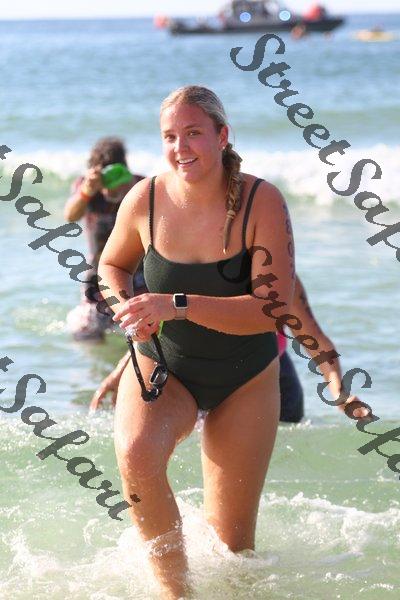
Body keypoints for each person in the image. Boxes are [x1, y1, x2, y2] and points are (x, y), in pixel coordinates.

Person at [96, 86, 368, 598]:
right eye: (169, 136)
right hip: (165, 365)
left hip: (245, 378)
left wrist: (175, 304)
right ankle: (176, 592)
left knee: (234, 552)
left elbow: (273, 309)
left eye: (193, 133)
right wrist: (125, 308)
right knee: (135, 455)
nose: (181, 148)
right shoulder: (145, 198)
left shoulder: (261, 202)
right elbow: (112, 264)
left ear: (222, 136)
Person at [89, 274, 362, 424]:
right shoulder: (189, 268)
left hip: (273, 383)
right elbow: (156, 330)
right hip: (200, 382)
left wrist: (338, 392)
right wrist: (121, 372)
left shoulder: (279, 279)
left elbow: (314, 339)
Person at [64, 137, 145, 340]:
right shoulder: (86, 187)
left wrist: (132, 189)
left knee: (140, 329)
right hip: (98, 274)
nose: (110, 188)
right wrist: (86, 192)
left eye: (115, 176)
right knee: (87, 332)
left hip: (139, 273)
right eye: (105, 179)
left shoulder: (139, 185)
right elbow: (70, 215)